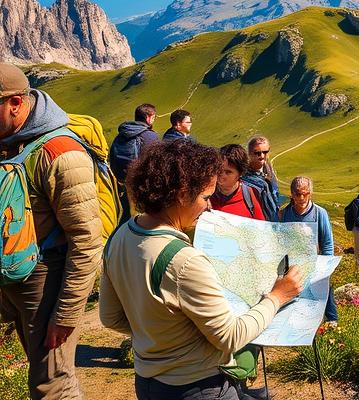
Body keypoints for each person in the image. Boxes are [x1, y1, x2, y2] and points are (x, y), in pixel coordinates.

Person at [99, 138, 304, 399]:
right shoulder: (184, 261)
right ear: (183, 194)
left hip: (148, 383)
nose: (209, 205)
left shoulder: (120, 238)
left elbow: (111, 317)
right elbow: (230, 337)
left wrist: (161, 334)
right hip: (200, 386)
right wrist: (278, 296)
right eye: (206, 197)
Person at [0, 63, 102, 400]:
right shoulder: (10, 142)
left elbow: (87, 242)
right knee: (46, 374)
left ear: (16, 102)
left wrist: (67, 314)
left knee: (51, 385)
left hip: (47, 281)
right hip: (16, 279)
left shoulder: (61, 153)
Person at [281, 176, 339, 327]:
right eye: (297, 194)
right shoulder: (284, 214)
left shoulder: (320, 213)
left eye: (305, 193)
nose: (301, 198)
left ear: (310, 193)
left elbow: (327, 242)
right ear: (292, 194)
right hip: (292, 262)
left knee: (325, 288)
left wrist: (325, 266)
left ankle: (332, 318)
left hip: (315, 260)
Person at [109, 103, 160, 223]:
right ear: (148, 118)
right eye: (153, 117)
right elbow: (155, 162)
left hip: (121, 182)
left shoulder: (122, 134)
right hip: (140, 184)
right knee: (142, 218)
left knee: (125, 217)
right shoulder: (149, 136)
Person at [210, 144, 266, 220]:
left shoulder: (252, 195)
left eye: (228, 172)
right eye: (219, 169)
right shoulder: (206, 193)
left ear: (240, 173)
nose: (221, 175)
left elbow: (261, 227)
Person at [242, 135, 280, 222]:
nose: (262, 156)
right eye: (257, 153)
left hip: (272, 220)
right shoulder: (243, 176)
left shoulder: (269, 170)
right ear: (249, 153)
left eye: (265, 152)